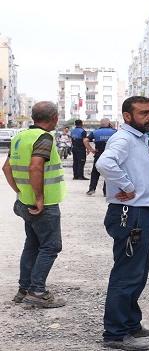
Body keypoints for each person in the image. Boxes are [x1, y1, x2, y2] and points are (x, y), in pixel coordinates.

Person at [96, 96, 149, 351]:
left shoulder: (137, 138)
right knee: (127, 274)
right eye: (144, 113)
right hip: (130, 213)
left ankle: (131, 323)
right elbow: (104, 163)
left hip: (140, 213)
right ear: (127, 116)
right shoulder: (124, 138)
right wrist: (127, 186)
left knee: (137, 272)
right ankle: (114, 334)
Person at [2, 101, 66, 308]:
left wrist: (20, 192)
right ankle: (37, 291)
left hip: (24, 202)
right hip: (43, 205)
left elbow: (6, 168)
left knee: (32, 244)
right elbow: (36, 166)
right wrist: (39, 198)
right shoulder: (44, 137)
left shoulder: (19, 136)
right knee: (50, 246)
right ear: (55, 118)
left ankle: (24, 288)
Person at [83, 118, 117, 196]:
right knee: (109, 173)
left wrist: (91, 150)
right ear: (109, 123)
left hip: (99, 154)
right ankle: (106, 191)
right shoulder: (114, 132)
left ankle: (92, 189)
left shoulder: (95, 132)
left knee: (95, 172)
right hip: (110, 155)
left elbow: (85, 140)